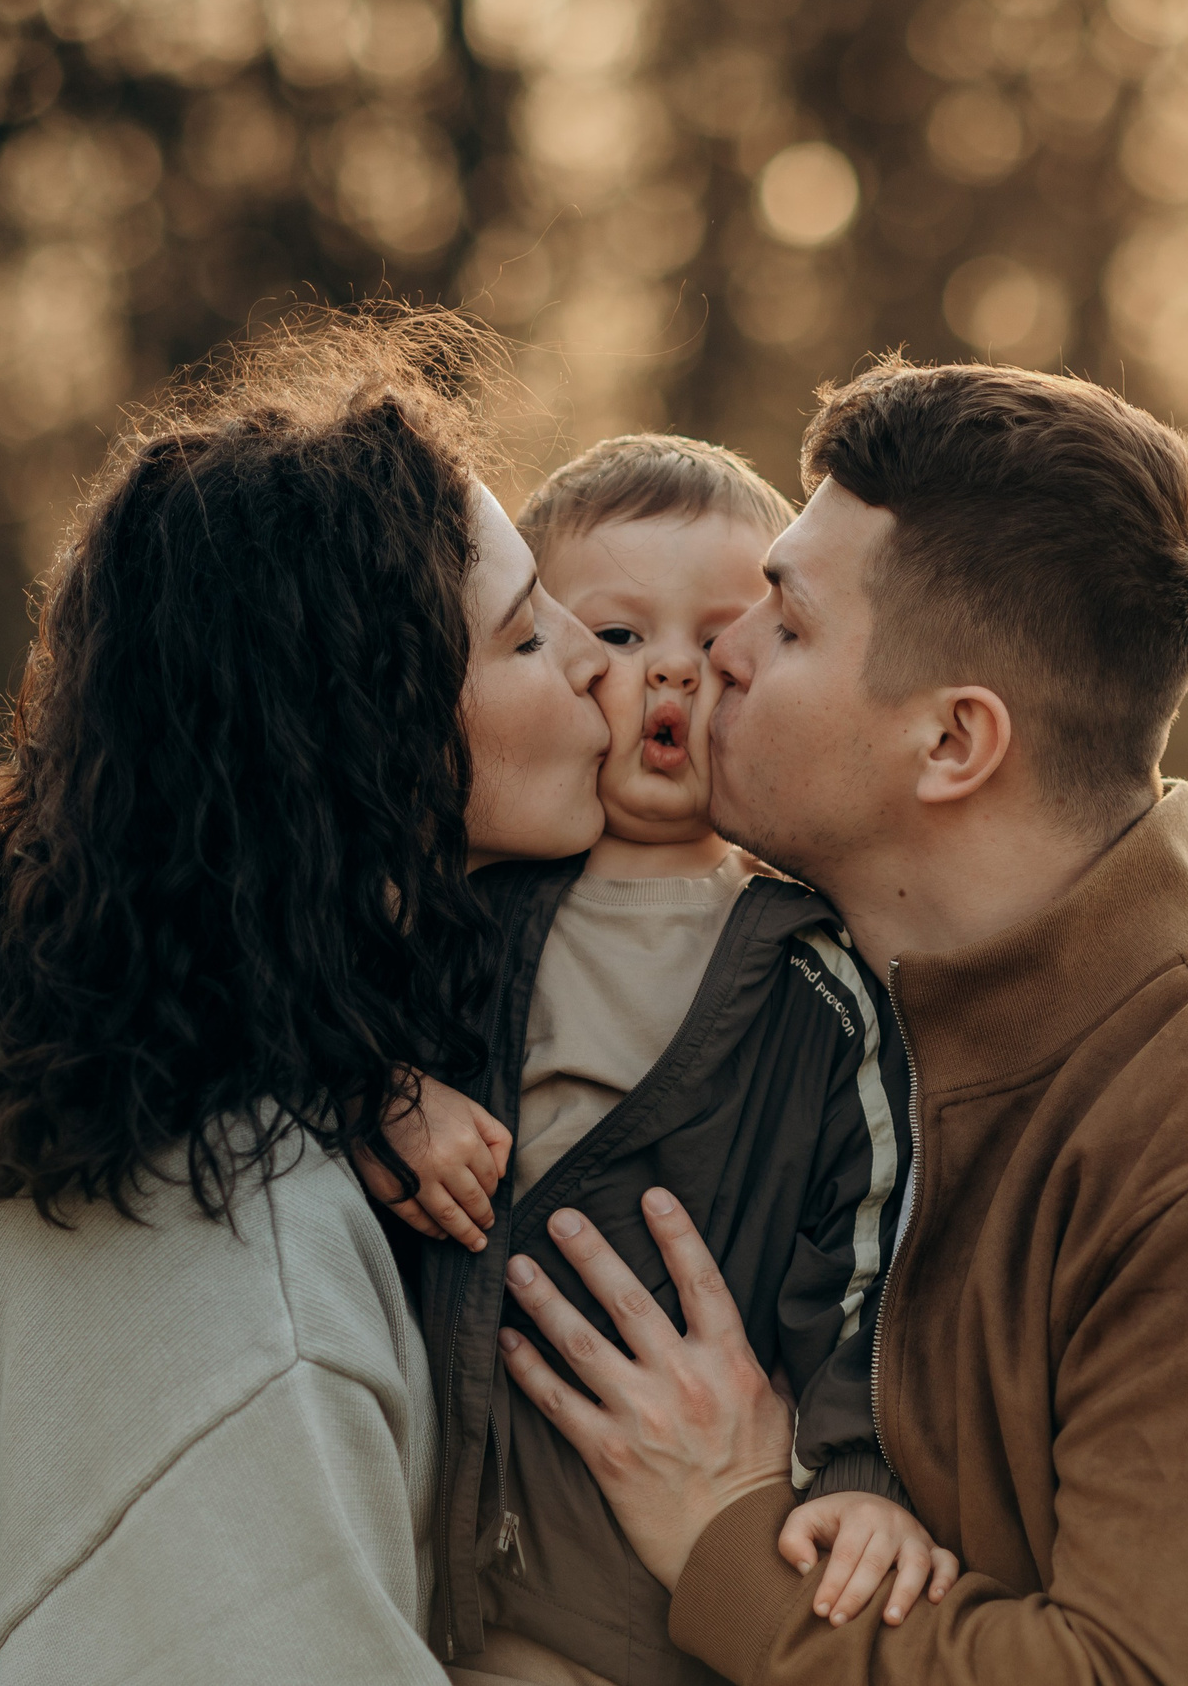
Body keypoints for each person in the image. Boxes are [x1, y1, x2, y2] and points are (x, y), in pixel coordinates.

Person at [496, 361, 1188, 1685]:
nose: (723, 655)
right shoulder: (845, 1021)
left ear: (952, 743)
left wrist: (726, 1537)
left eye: (789, 620)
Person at [0, 315, 611, 1686]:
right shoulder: (247, 1293)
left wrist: (349, 1079)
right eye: (522, 636)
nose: (596, 653)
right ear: (369, 744)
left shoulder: (93, 1065)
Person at [376, 436, 955, 1686]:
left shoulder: (813, 972)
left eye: (718, 632)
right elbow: (308, 1025)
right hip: (442, 1585)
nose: (673, 670)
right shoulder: (470, 918)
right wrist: (379, 1090)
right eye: (621, 635)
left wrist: (856, 1473)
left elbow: (861, 1246)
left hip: (648, 1608)